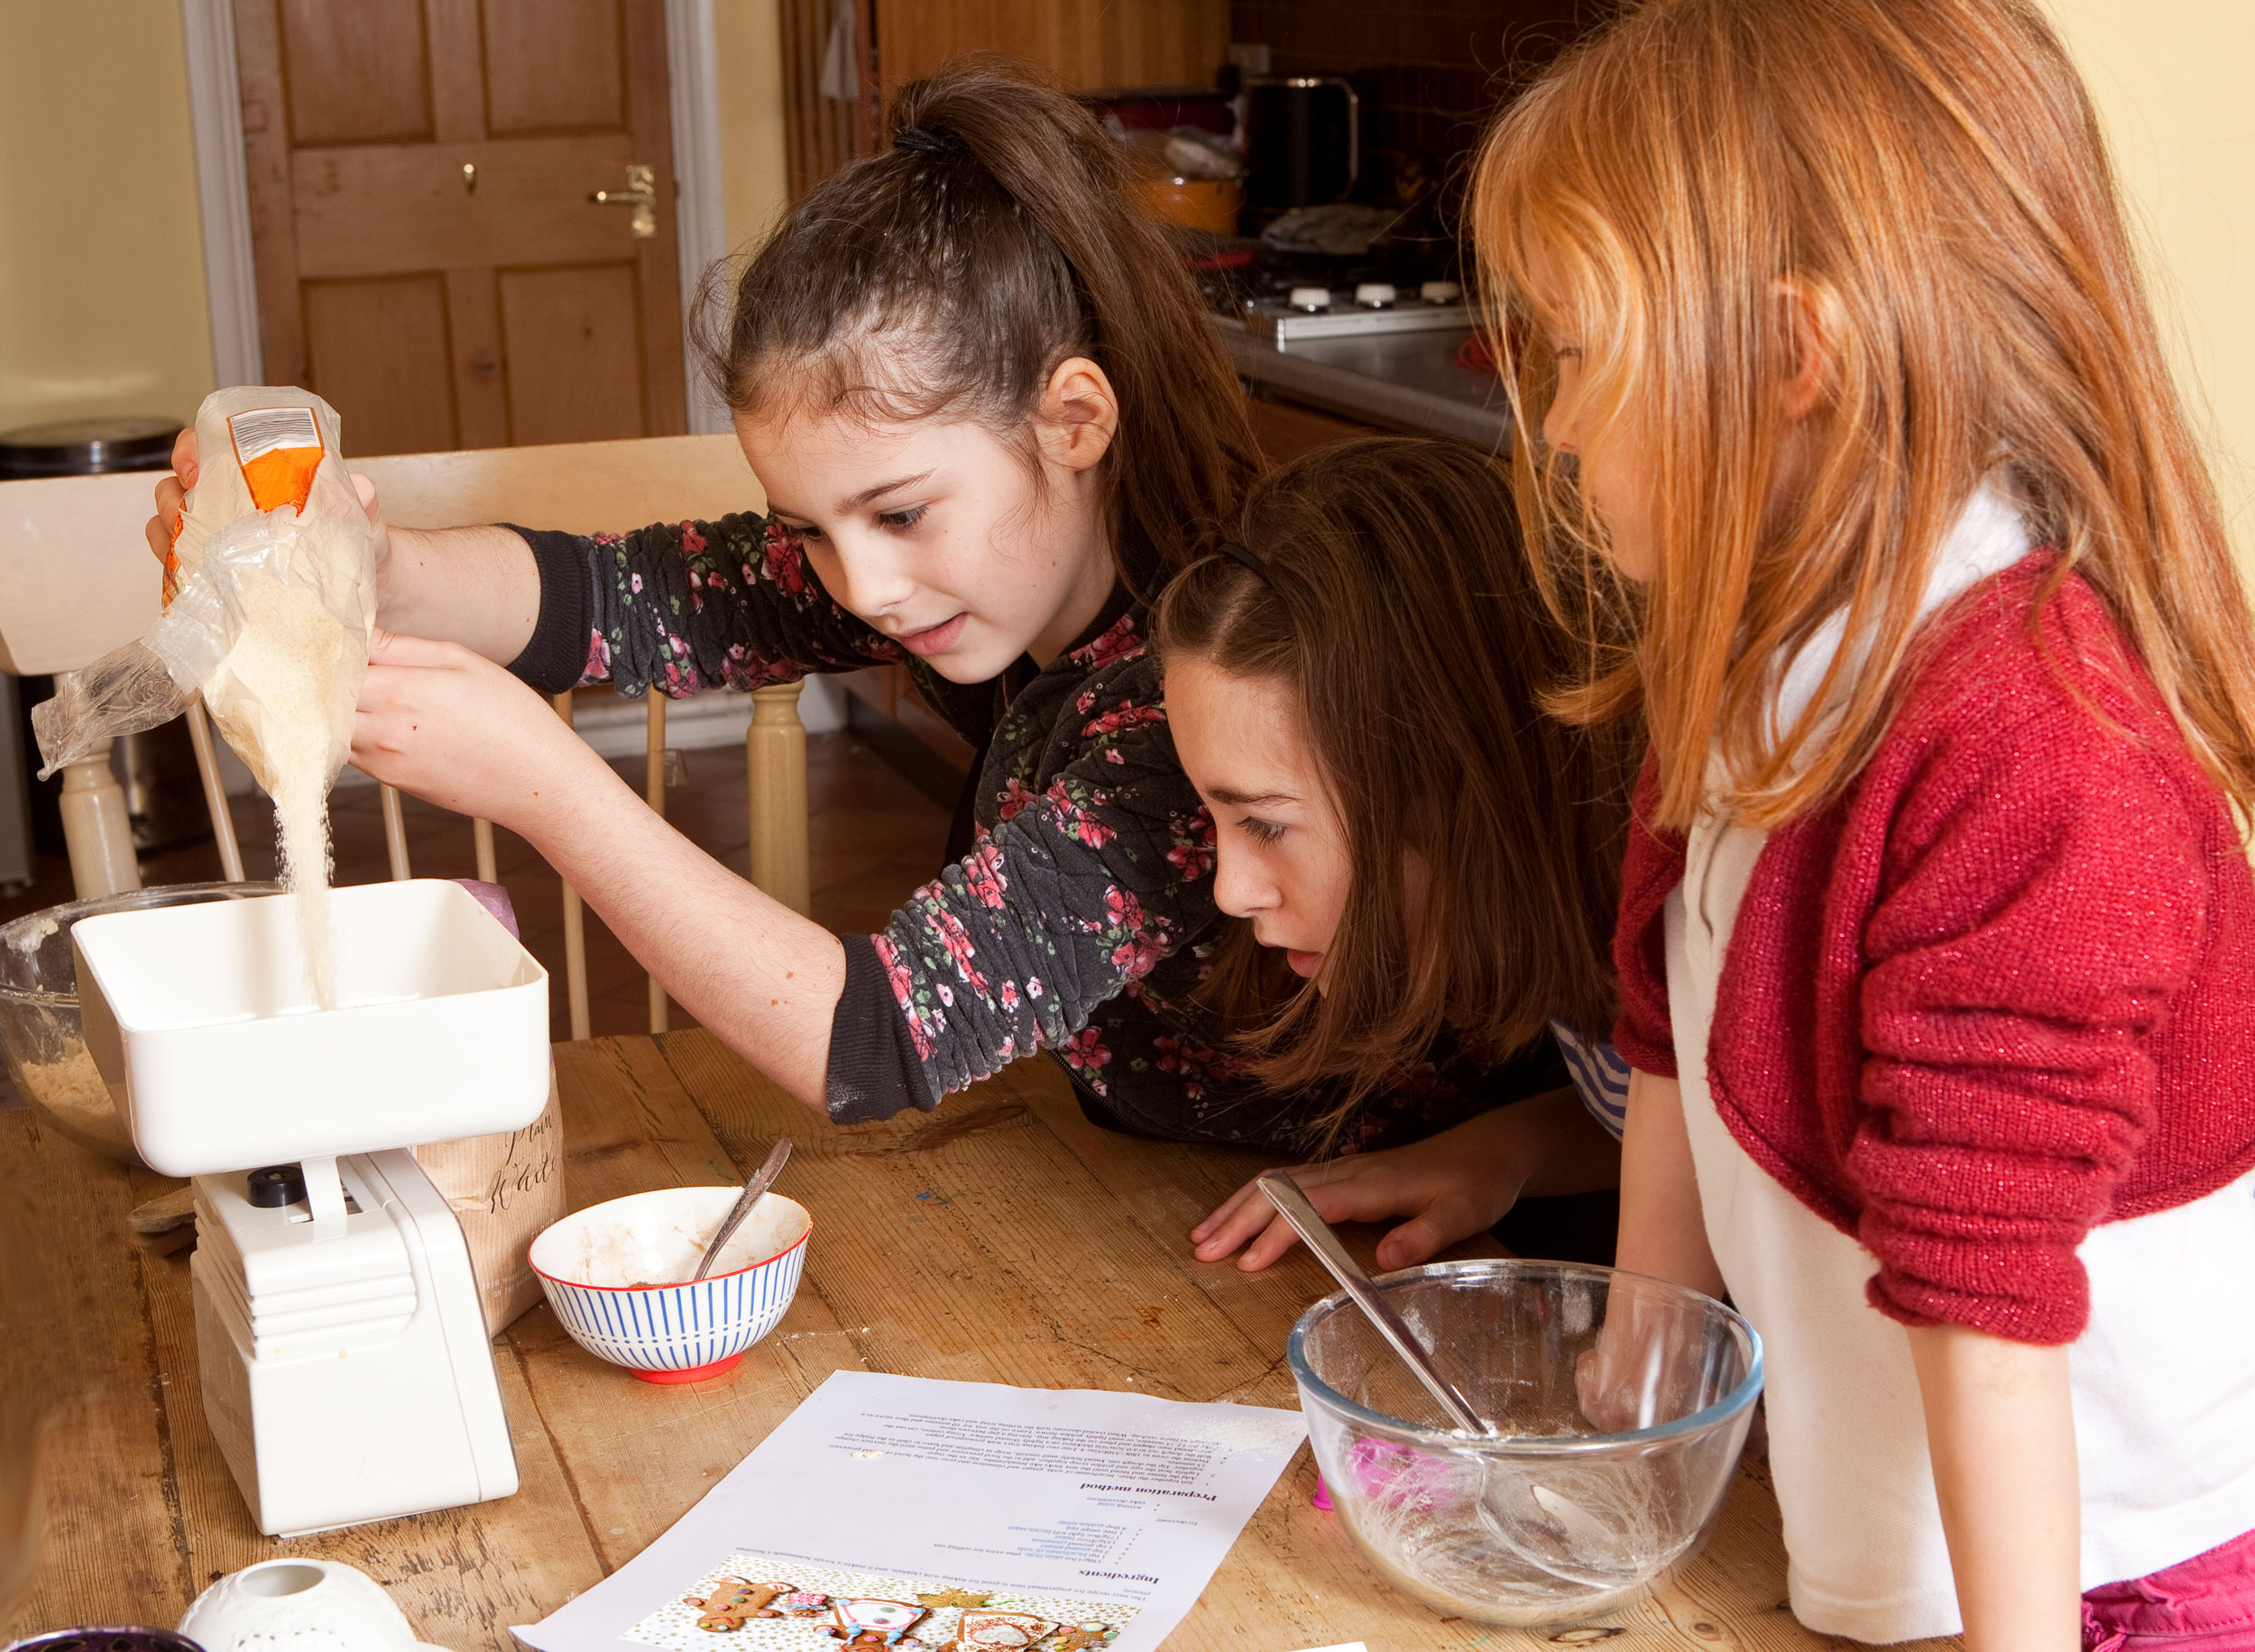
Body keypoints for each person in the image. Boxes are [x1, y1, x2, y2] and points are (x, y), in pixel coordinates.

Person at [146, 62, 1577, 1158]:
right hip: (1135, 1175)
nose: (863, 588)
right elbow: (619, 601)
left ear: (1072, 419)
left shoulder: (1189, 699)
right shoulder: (989, 568)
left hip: (1316, 1234)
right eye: (812, 531)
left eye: (897, 513)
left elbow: (876, 1041)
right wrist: (364, 565)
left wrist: (546, 787)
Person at [1473, 0, 2255, 1647]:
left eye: (1578, 355)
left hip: (2110, 1579)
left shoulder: (2036, 743)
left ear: (1787, 361)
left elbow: (1991, 1280)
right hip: (1880, 1554)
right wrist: (1637, 1407)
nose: (1548, 425)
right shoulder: (1752, 654)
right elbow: (1666, 1031)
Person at [1154, 437, 1634, 1274]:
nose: (1231, 891)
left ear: (1450, 788)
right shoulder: (1581, 917)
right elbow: (1668, 1127)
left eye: (1264, 823)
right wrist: (1508, 1148)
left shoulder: (1683, 932)